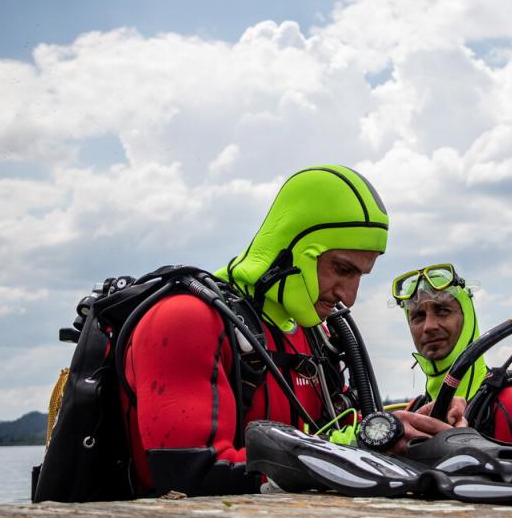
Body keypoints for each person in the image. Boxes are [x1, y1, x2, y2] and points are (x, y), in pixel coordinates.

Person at [121, 166, 464, 497]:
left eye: (360, 275)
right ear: (294, 249)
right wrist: (350, 451)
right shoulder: (187, 319)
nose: (349, 296)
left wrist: (405, 429)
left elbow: (337, 432)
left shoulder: (317, 335)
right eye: (341, 269)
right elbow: (190, 475)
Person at [392, 263, 512, 446]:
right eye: (418, 316)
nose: (429, 326)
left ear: (468, 317)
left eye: (443, 311)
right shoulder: (414, 410)